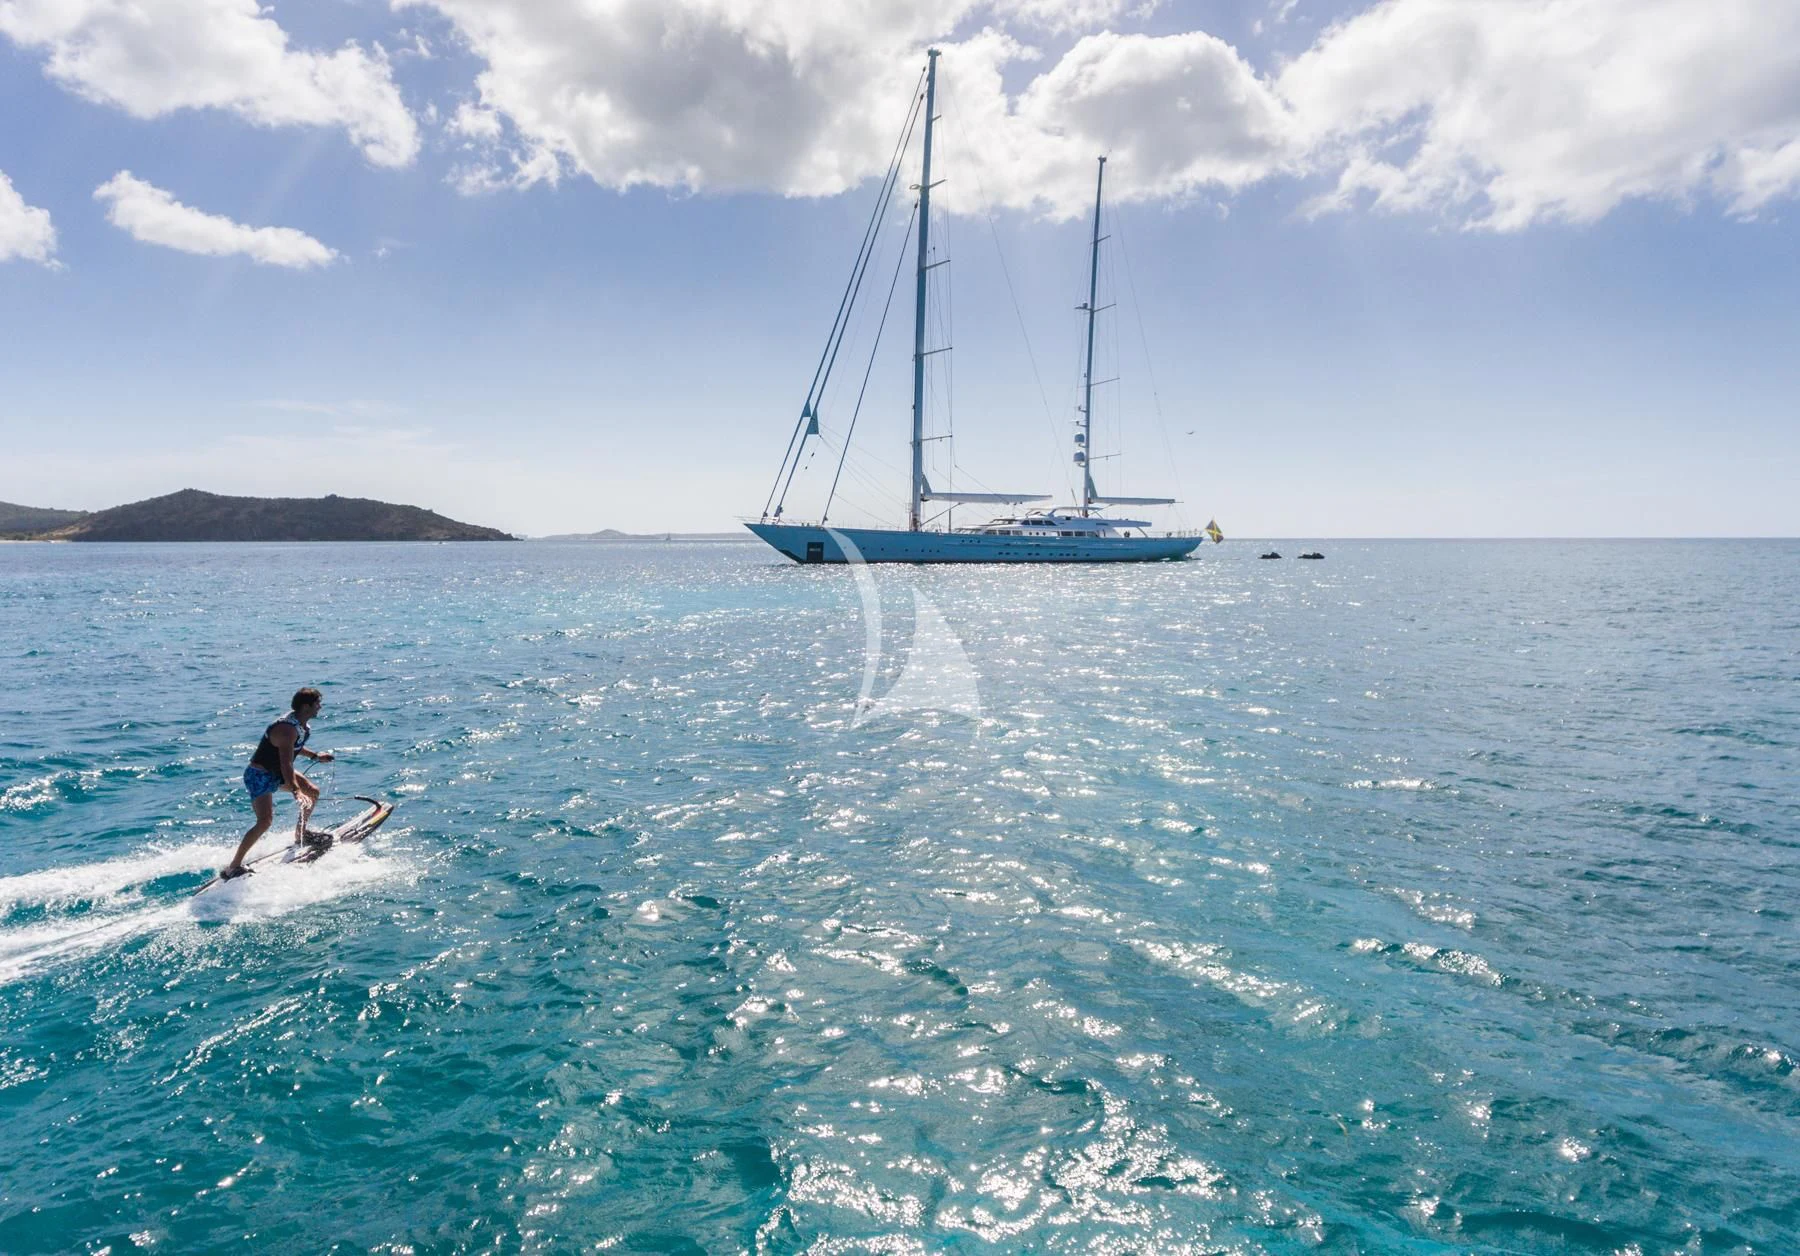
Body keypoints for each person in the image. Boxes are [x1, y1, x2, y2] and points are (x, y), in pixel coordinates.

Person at [220, 687, 336, 880]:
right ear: (306, 706)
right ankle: (233, 867)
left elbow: (293, 748)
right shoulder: (286, 729)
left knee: (313, 792)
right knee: (265, 821)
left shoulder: (300, 725)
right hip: (260, 775)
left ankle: (301, 834)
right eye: (317, 704)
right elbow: (286, 762)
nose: (320, 707)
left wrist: (315, 756)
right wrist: (296, 790)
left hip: (277, 772)